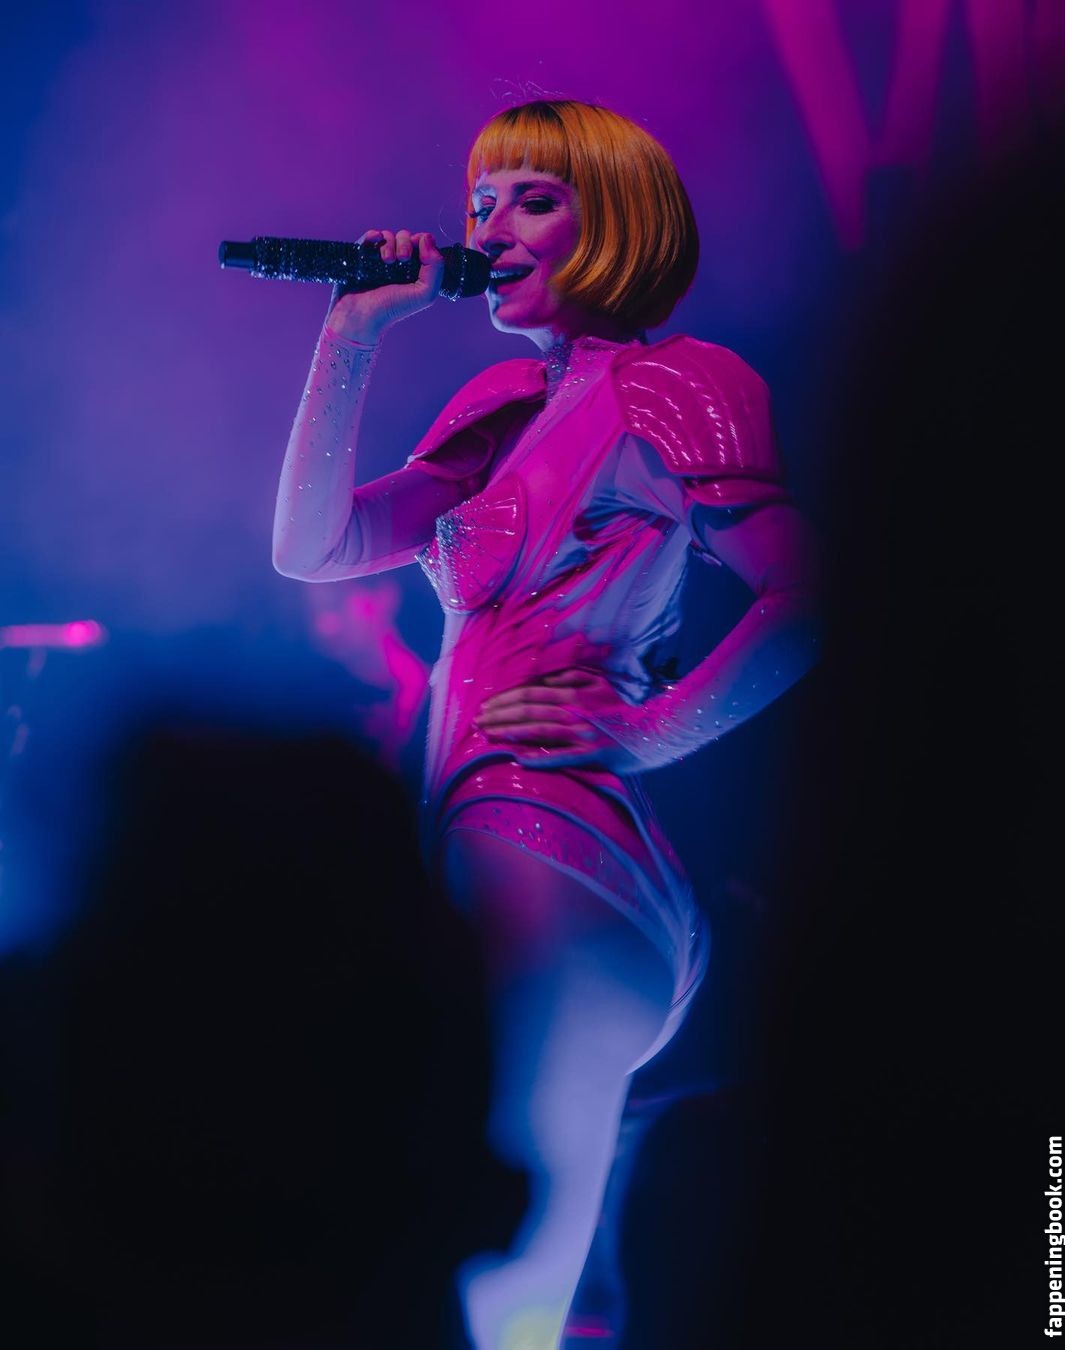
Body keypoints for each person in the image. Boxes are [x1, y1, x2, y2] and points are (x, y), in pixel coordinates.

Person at [273, 99, 821, 1350]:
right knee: (484, 1273)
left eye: (533, 199)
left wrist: (651, 730)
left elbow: (810, 593)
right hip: (483, 840)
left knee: (504, 1288)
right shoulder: (502, 403)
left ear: (616, 218)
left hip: (556, 851)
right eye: (481, 203)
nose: (490, 229)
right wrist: (351, 334)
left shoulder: (677, 385)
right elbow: (315, 546)